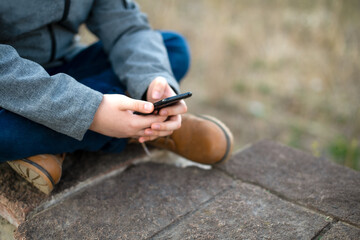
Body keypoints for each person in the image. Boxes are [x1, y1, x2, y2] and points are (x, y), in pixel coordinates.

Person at [0, 0, 233, 194]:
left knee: (173, 47)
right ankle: (142, 128)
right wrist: (92, 112)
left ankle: (54, 137)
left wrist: (152, 79)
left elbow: (126, 27)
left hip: (69, 68)